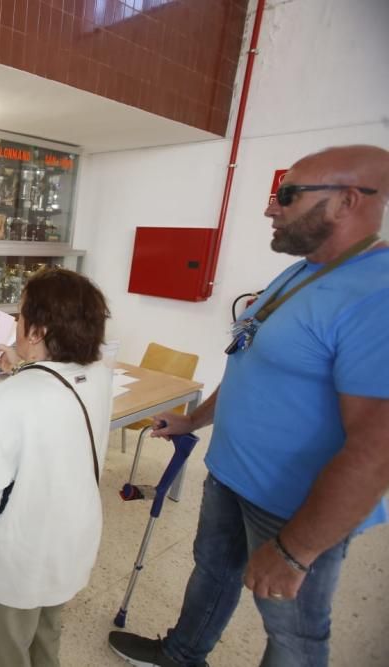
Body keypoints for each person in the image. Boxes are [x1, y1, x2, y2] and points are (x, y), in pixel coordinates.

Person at [109, 145, 389, 667]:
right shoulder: (301, 271)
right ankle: (182, 654)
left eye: (288, 195)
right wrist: (195, 419)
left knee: (293, 633)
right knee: (212, 571)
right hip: (231, 474)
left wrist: (295, 551)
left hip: (292, 507)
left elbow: (377, 450)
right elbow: (249, 360)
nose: (270, 208)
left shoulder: (376, 294)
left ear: (349, 200)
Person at [0, 268, 113, 667]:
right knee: (45, 640)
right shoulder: (99, 376)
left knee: (4, 651)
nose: (15, 322)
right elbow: (52, 393)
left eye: (19, 316)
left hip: (17, 562)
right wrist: (21, 362)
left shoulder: (5, 401)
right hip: (70, 547)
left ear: (36, 330)